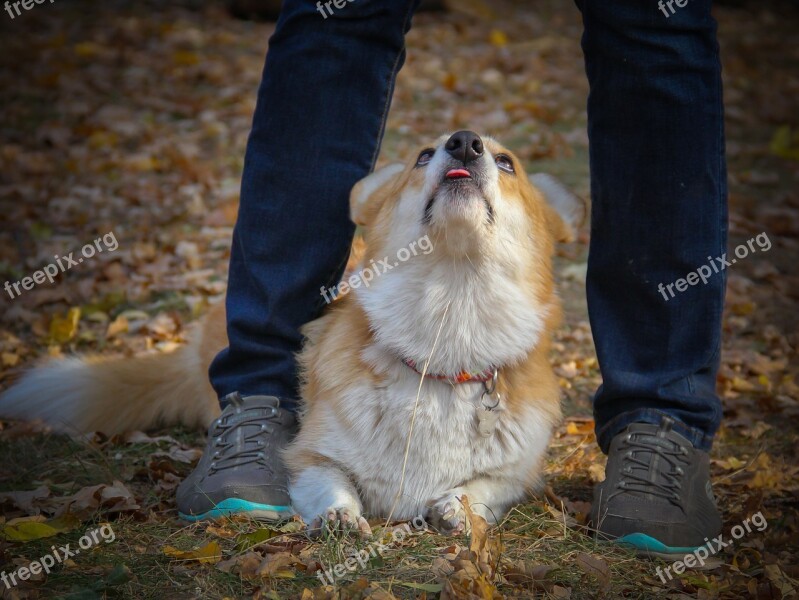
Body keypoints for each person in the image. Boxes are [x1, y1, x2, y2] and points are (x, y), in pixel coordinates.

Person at [176, 0, 725, 554]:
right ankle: (260, 398)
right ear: (381, 212)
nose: (463, 147)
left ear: (544, 224)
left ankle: (662, 423)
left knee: (655, 23)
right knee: (337, 18)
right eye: (426, 157)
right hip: (359, 375)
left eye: (502, 163)